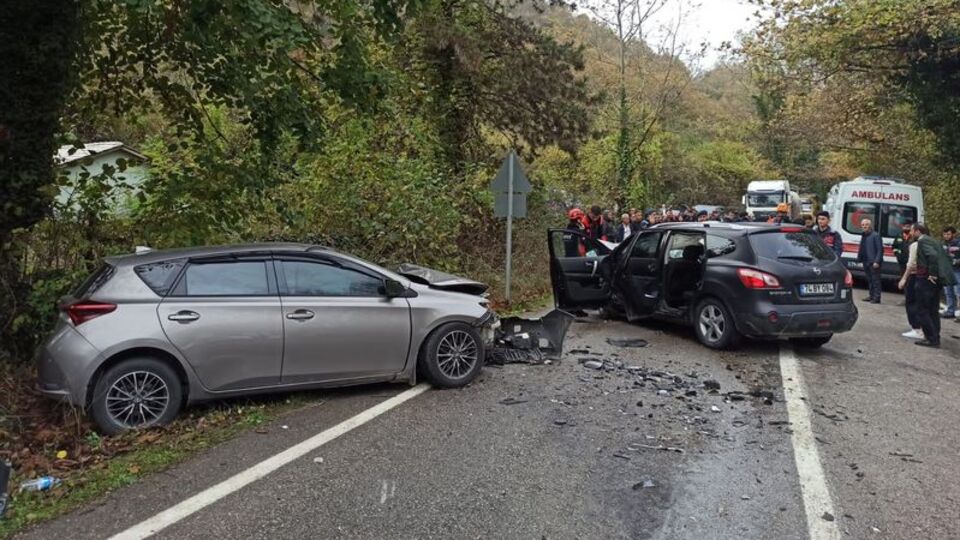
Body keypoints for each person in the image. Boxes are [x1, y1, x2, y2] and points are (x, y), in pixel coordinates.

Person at [903, 223, 958, 347]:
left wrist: (932, 274)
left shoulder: (923, 242)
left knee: (922, 309)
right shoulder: (933, 241)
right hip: (935, 281)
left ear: (917, 231)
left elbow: (932, 256)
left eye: (912, 231)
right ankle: (934, 338)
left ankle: (931, 338)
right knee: (933, 310)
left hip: (926, 280)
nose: (910, 233)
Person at [857, 218, 883, 303]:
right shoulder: (864, 235)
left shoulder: (875, 235)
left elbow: (880, 249)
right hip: (865, 261)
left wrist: (877, 261)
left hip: (873, 262)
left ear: (870, 225)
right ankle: (871, 296)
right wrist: (859, 259)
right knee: (870, 280)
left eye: (866, 225)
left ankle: (877, 298)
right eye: (863, 225)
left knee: (875, 280)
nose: (864, 226)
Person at [941, 226, 960, 319]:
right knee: (948, 292)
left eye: (948, 234)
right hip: (946, 271)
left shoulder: (958, 243)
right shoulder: (943, 244)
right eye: (944, 234)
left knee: (958, 292)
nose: (946, 236)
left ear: (954, 234)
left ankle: (959, 313)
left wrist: (955, 261)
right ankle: (950, 311)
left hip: (957, 271)